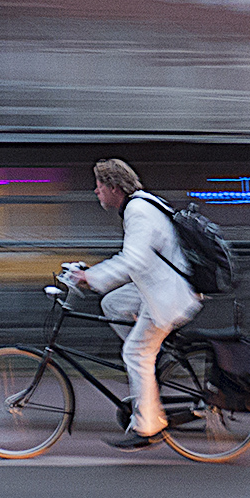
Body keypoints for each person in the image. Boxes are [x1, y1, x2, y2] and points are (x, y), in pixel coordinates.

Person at [69, 159, 201, 450]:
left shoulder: (138, 211)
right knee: (113, 304)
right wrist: (95, 277)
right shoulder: (140, 204)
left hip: (169, 296)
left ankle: (148, 425)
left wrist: (90, 277)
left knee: (135, 352)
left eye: (100, 186)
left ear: (115, 188)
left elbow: (133, 261)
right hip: (159, 287)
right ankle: (154, 365)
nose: (96, 192)